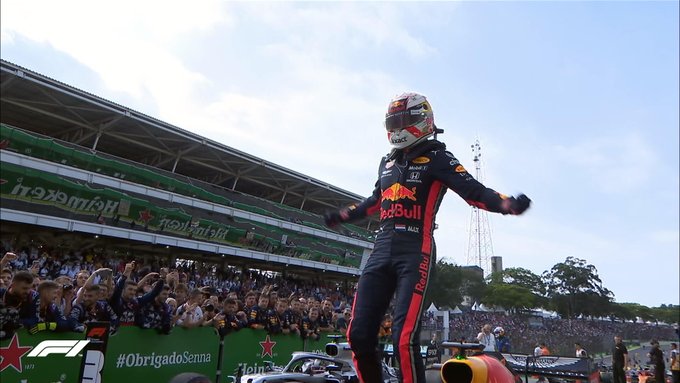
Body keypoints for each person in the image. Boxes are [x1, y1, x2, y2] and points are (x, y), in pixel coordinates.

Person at [324, 92, 531, 383]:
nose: (398, 127)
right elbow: (374, 202)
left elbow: (473, 191)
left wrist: (507, 204)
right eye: (393, 121)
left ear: (424, 120)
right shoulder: (386, 162)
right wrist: (343, 215)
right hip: (381, 250)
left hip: (415, 250)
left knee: (404, 339)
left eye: (405, 120)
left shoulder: (438, 157)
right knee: (358, 335)